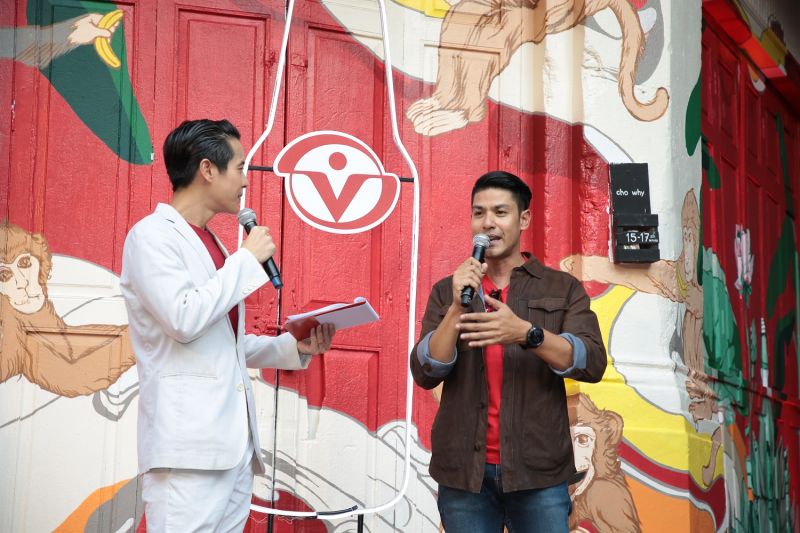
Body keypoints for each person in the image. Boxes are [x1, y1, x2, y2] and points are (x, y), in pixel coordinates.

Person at [120, 119, 335, 532]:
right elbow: (183, 318)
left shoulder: (213, 244)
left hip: (233, 450)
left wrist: (293, 347)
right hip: (188, 450)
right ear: (207, 169)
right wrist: (246, 260)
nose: (245, 181)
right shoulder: (151, 237)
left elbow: (222, 344)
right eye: (239, 168)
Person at [410, 170, 607, 532]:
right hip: (464, 473)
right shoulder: (448, 290)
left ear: (524, 219)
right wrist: (456, 308)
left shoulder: (561, 288)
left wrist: (528, 334)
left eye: (500, 212)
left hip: (539, 471)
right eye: (479, 213)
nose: (488, 223)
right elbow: (425, 370)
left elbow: (591, 362)